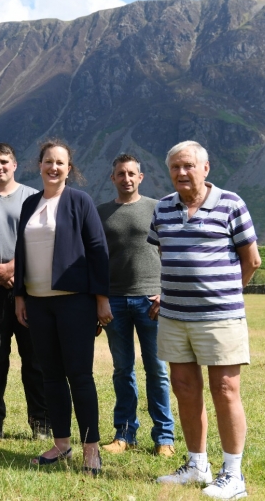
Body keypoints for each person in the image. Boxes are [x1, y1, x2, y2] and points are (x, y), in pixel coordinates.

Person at [150, 141, 261, 500]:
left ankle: (233, 475)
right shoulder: (163, 208)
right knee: (183, 387)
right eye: (175, 168)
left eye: (188, 166)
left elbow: (252, 260)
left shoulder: (231, 204)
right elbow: (165, 253)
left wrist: (225, 294)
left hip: (220, 317)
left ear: (206, 168)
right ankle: (197, 465)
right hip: (174, 315)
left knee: (225, 390)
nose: (182, 173)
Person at [13, 138, 111, 476]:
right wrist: (20, 296)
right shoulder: (29, 204)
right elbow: (21, 252)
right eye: (48, 162)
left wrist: (101, 299)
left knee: (80, 377)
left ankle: (91, 450)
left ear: (70, 169)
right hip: (38, 304)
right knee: (51, 377)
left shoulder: (79, 201)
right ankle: (60, 444)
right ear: (39, 165)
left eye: (60, 163)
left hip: (75, 303)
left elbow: (98, 250)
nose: (53, 168)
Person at [97, 153, 176, 457]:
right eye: (120, 173)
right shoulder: (100, 213)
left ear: (140, 177)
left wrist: (165, 293)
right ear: (113, 178)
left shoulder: (158, 208)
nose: (126, 178)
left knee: (157, 370)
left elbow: (172, 252)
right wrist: (99, 300)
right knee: (122, 370)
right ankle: (125, 434)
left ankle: (164, 438)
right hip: (114, 301)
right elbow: (95, 260)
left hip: (151, 300)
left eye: (132, 173)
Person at [0, 143, 48, 440]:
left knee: (34, 357)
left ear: (15, 164)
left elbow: (41, 242)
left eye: (4, 161)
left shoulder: (33, 197)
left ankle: (41, 422)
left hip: (29, 290)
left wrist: (13, 269)